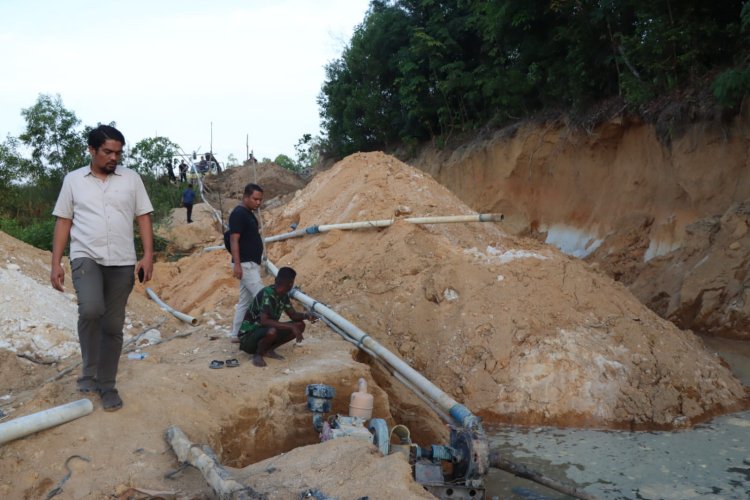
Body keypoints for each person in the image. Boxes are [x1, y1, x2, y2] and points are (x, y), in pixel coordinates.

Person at [50, 125, 154, 412]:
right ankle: (89, 369)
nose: (113, 158)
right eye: (107, 152)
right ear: (92, 150)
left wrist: (148, 255)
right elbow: (63, 221)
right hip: (86, 256)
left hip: (122, 259)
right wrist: (55, 262)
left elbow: (143, 217)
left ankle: (107, 385)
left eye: (118, 153)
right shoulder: (73, 181)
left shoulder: (131, 180)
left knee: (112, 325)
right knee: (91, 309)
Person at [239, 267, 317, 367]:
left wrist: (307, 315)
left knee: (300, 325)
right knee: (272, 331)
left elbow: (293, 315)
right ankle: (258, 355)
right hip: (248, 338)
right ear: (291, 284)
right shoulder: (267, 293)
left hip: (263, 332)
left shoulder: (283, 295)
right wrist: (290, 327)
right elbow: (264, 321)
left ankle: (269, 350)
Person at [228, 183, 265, 340]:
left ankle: (236, 334)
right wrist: (237, 264)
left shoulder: (248, 213)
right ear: (246, 197)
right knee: (262, 297)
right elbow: (233, 239)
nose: (258, 202)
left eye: (260, 200)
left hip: (250, 263)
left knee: (245, 301)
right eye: (255, 199)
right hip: (245, 264)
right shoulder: (239, 214)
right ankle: (262, 333)